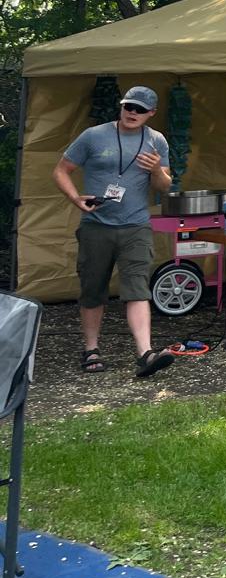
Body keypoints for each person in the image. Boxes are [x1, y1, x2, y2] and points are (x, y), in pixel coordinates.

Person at [52, 86, 178, 379]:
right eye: (128, 107)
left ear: (151, 114)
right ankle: (91, 349)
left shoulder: (156, 141)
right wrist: (75, 198)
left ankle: (145, 353)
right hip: (97, 226)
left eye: (139, 109)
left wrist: (157, 171)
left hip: (135, 225)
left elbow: (163, 188)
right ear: (121, 107)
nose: (132, 113)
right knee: (93, 288)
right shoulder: (94, 136)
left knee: (137, 288)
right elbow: (61, 170)